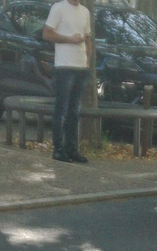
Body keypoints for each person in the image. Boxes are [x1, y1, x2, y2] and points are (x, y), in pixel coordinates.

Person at [42, 0, 93, 163]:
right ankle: (58, 149)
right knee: (61, 109)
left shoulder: (85, 11)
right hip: (64, 66)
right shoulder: (58, 8)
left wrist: (87, 62)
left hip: (81, 68)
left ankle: (72, 149)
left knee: (74, 111)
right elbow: (47, 33)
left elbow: (87, 38)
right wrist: (69, 39)